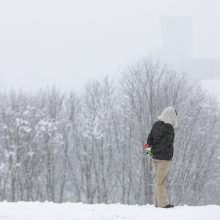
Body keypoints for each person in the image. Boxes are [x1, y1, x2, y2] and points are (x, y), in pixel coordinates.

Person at [146, 106, 177, 208]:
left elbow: (148, 141)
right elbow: (167, 143)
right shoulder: (169, 128)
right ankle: (163, 204)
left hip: (155, 157)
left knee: (157, 180)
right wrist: (156, 152)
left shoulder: (156, 124)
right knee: (161, 181)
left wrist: (150, 154)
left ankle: (157, 203)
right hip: (164, 159)